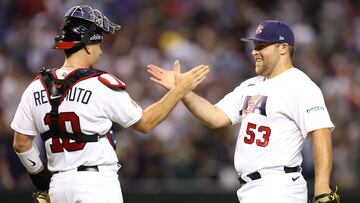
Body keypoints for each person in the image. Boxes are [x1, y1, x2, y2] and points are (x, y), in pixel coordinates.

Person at [11, 5, 208, 203]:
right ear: (88, 45)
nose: (101, 51)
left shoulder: (36, 86)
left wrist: (42, 181)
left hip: (57, 187)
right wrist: (179, 90)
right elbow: (146, 123)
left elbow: (21, 143)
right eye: (98, 44)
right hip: (96, 184)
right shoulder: (100, 84)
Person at [148, 20, 340, 203]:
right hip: (250, 189)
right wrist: (182, 92)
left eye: (261, 46)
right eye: (254, 45)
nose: (255, 51)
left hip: (279, 187)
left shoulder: (300, 85)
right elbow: (215, 116)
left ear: (283, 48)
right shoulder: (250, 85)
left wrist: (322, 189)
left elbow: (321, 133)